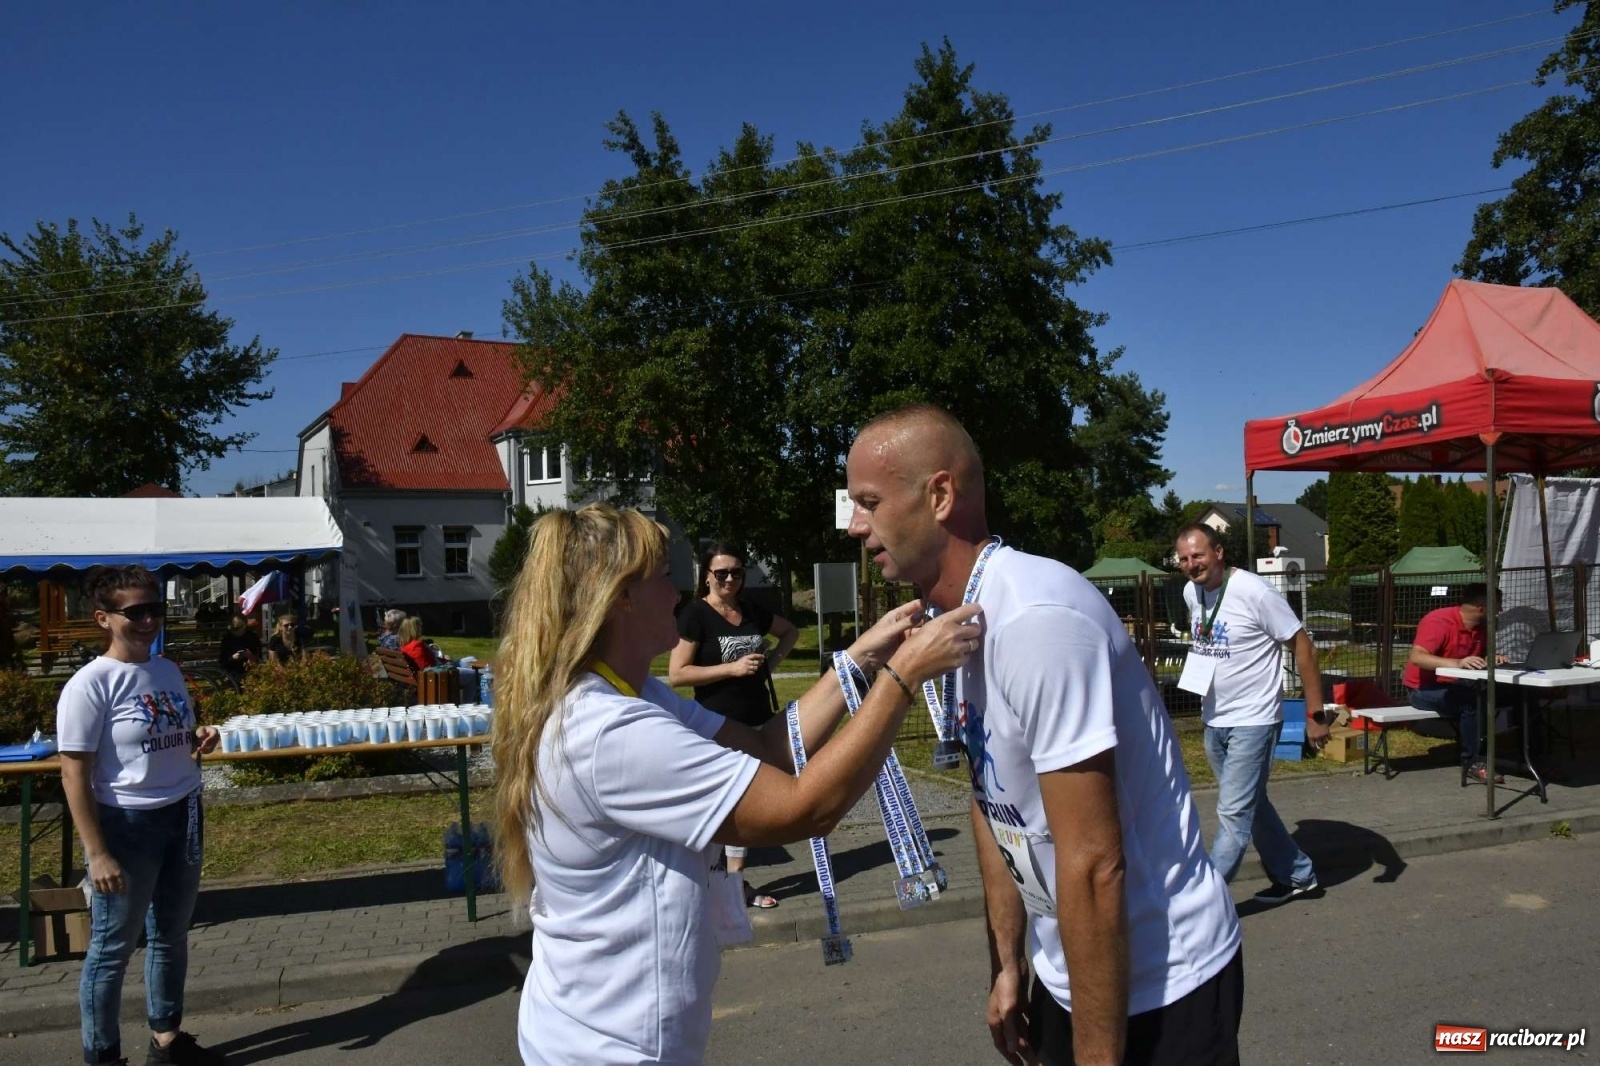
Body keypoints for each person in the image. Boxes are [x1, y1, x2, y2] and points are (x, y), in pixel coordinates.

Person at [493, 502, 979, 1066]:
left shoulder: (628, 693)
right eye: (661, 576)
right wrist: (902, 677)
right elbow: (805, 808)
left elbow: (772, 747)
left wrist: (860, 660)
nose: (678, 591)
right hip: (611, 1048)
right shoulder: (611, 732)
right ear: (620, 596)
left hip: (600, 1032)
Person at [847, 405, 1242, 1066]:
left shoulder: (1034, 618)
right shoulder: (958, 620)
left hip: (1163, 989)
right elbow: (994, 800)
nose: (856, 525)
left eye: (868, 502)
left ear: (939, 495)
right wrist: (1008, 962)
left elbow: (1094, 865)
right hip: (1073, 979)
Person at [57, 565, 223, 1066]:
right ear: (103, 618)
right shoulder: (90, 685)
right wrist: (97, 852)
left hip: (184, 811)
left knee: (172, 934)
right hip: (128, 827)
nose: (149, 620)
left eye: (155, 608)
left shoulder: (166, 670)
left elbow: (167, 733)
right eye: (135, 612)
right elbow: (73, 775)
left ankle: (167, 1040)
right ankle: (102, 1056)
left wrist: (197, 738)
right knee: (112, 949)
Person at [1173, 523, 1328, 906]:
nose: (1192, 565)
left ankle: (1201, 904)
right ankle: (1299, 875)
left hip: (1254, 720)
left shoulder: (1255, 592)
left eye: (1199, 555)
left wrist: (1316, 714)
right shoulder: (1191, 592)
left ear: (1219, 552)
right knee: (1250, 804)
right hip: (1215, 719)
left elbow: (1304, 648)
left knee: (1232, 815)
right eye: (1184, 559)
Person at [668, 542, 799, 909]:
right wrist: (732, 669)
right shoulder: (695, 614)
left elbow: (791, 632)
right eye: (721, 573)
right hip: (717, 725)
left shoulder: (751, 608)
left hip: (758, 721)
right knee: (721, 804)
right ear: (706, 576)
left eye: (736, 572)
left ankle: (736, 885)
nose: (729, 579)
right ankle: (708, 881)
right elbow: (678, 674)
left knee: (746, 802)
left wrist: (771, 663)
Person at [1403, 583, 1505, 783]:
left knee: (1515, 693)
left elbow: (1480, 655)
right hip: (1423, 689)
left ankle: (1521, 752)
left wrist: (1494, 657)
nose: (1500, 610)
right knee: (1471, 702)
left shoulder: (1482, 628)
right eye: (1498, 605)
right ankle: (1472, 762)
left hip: (1461, 684)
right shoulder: (1439, 621)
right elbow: (1417, 657)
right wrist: (1457, 663)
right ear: (1481, 607)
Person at [215, 613, 260, 686]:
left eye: (237, 628)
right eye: (232, 628)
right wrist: (232, 657)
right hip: (232, 671)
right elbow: (222, 660)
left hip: (249, 670)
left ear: (244, 626)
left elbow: (258, 657)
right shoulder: (227, 638)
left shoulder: (252, 637)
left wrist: (249, 656)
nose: (234, 631)